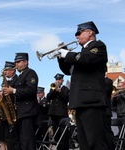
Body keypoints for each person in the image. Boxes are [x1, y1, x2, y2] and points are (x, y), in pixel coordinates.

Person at [57, 21, 108, 150]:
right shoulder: (80, 55)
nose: (77, 36)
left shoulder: (98, 46)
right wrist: (61, 57)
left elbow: (87, 58)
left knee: (95, 142)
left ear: (90, 32)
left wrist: (67, 54)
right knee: (84, 142)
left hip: (92, 101)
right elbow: (67, 70)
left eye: (79, 33)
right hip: (81, 101)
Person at [2, 52, 39, 150]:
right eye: (15, 62)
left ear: (25, 62)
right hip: (21, 113)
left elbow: (31, 90)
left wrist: (13, 90)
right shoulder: (22, 75)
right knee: (22, 141)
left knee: (28, 142)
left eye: (18, 62)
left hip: (28, 112)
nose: (16, 64)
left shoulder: (30, 73)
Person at [0, 61, 21, 150]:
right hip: (6, 114)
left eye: (7, 70)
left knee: (13, 139)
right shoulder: (6, 81)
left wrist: (2, 94)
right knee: (8, 138)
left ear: (12, 70)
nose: (5, 72)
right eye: (5, 71)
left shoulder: (17, 79)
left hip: (14, 112)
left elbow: (17, 94)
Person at [46, 73, 69, 150]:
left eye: (59, 79)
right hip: (54, 114)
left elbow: (67, 98)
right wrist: (54, 90)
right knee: (56, 134)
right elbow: (48, 97)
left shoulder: (65, 89)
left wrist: (60, 91)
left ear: (62, 80)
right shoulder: (53, 88)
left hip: (62, 114)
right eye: (56, 80)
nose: (58, 81)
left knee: (64, 134)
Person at [105, 76, 115, 150]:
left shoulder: (108, 81)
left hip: (106, 112)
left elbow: (103, 92)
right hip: (98, 112)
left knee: (107, 132)